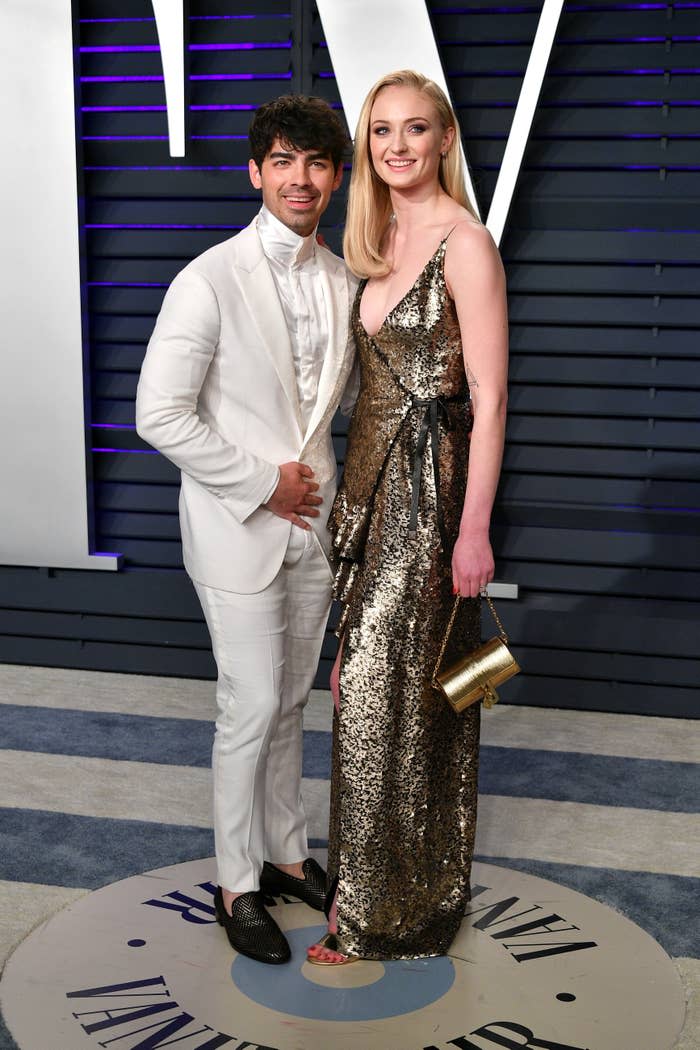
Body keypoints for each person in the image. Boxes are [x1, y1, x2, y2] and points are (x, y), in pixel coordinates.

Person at [136, 95, 357, 966]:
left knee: (291, 702)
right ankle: (236, 881)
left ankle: (289, 853)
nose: (300, 179)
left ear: (335, 178)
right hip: (237, 525)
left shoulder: (343, 278)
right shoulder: (208, 278)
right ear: (256, 170)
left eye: (318, 164)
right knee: (251, 704)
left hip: (315, 531)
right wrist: (262, 483)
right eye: (284, 161)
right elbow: (159, 414)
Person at [307, 70, 508, 965]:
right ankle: (407, 890)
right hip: (369, 491)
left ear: (445, 140)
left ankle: (375, 918)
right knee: (370, 688)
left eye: (414, 130)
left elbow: (493, 398)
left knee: (390, 701)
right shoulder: (378, 237)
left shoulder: (466, 243)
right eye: (381, 131)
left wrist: (473, 531)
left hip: (432, 502)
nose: (396, 146)